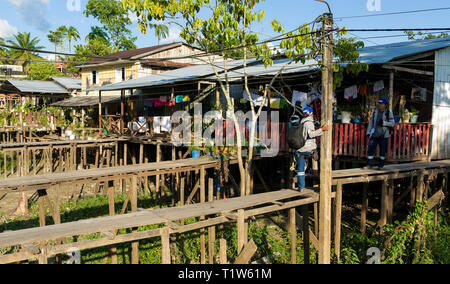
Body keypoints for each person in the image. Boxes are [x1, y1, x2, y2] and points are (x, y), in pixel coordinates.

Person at [293, 107, 329, 191]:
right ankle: (320, 176)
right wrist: (322, 129)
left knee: (300, 169)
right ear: (311, 114)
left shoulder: (301, 121)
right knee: (321, 157)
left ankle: (301, 187)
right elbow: (311, 134)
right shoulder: (309, 122)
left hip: (300, 148)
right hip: (309, 148)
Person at [366, 97, 395, 169]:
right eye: (379, 103)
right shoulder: (375, 112)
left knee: (382, 151)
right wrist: (368, 132)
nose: (380, 105)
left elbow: (392, 123)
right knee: (370, 149)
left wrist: (384, 123)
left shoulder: (388, 113)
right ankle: (369, 165)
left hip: (383, 135)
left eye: (381, 103)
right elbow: (371, 123)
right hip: (374, 134)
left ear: (385, 104)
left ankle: (381, 165)